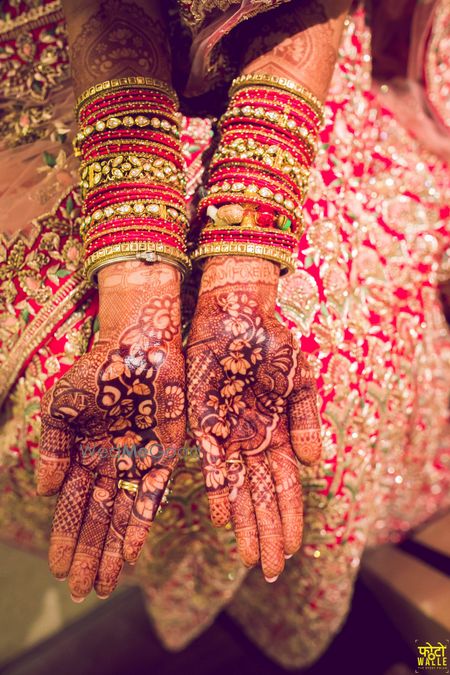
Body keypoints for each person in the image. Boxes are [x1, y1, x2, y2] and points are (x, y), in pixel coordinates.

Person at [0, 0, 449, 668]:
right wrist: (136, 272)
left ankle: (321, 599)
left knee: (336, 371)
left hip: (302, 46)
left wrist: (244, 261)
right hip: (65, 54)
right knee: (68, 390)